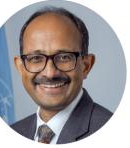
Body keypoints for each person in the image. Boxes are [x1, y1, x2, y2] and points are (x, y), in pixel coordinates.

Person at [11, 7, 112, 144]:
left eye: (64, 57)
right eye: (36, 58)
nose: (50, 73)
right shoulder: (14, 132)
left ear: (86, 66)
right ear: (20, 67)